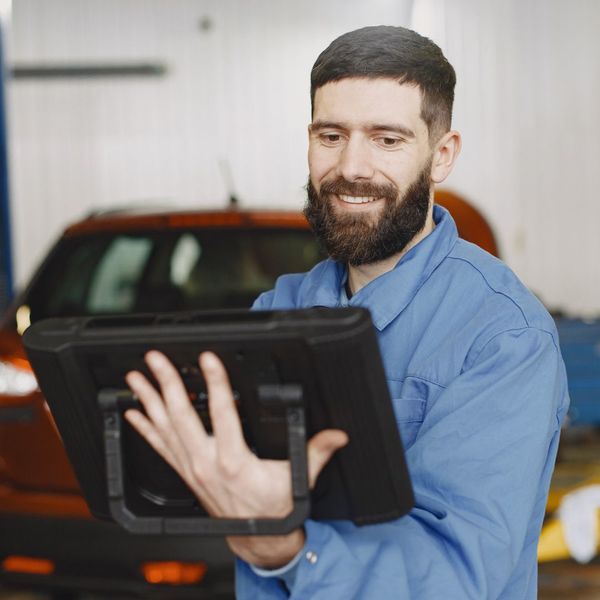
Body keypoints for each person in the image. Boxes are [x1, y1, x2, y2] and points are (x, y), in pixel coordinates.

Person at [124, 25, 569, 599]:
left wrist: (287, 548)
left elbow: (457, 575)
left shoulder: (503, 336)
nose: (351, 167)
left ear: (442, 156)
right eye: (331, 135)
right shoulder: (276, 310)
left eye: (387, 139)